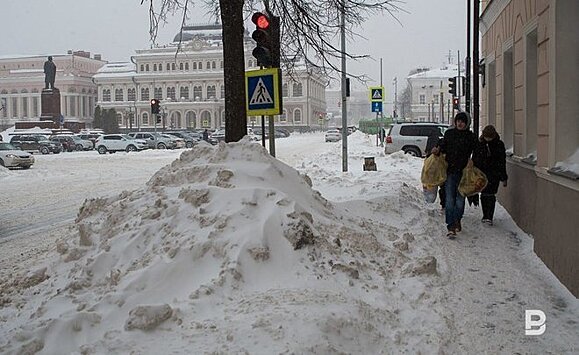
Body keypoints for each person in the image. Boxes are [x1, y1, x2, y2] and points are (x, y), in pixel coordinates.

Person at [431, 112, 477, 238]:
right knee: (450, 199)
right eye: (458, 121)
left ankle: (457, 218)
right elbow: (443, 145)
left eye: (462, 121)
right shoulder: (449, 134)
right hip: (450, 171)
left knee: (460, 200)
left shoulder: (470, 136)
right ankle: (451, 225)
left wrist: (472, 160)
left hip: (464, 172)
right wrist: (437, 149)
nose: (460, 123)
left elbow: (477, 151)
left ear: (466, 123)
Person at [472, 125, 508, 225]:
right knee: (484, 194)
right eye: (486, 137)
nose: (488, 139)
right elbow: (475, 158)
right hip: (481, 173)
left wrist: (503, 177)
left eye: (489, 137)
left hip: (493, 173)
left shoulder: (498, 145)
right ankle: (485, 215)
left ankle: (489, 216)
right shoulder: (480, 144)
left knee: (491, 194)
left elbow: (502, 161)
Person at [425, 129, 446, 210]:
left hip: (433, 165)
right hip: (440, 165)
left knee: (434, 184)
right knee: (442, 186)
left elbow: (427, 150)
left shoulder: (432, 139)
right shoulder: (440, 140)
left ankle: (431, 200)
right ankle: (443, 203)